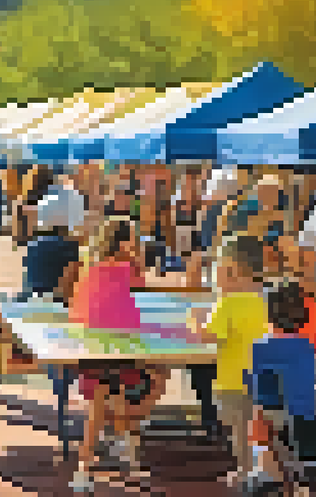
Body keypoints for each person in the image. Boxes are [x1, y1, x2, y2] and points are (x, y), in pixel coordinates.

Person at [65, 217, 170, 490]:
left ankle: (100, 464)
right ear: (123, 243)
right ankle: (109, 461)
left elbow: (78, 308)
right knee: (121, 398)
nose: (137, 243)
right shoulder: (129, 268)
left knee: (106, 403)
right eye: (133, 239)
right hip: (119, 347)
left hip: (93, 346)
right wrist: (137, 260)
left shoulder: (90, 267)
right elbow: (141, 292)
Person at [188, 236, 269, 489]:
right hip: (264, 379)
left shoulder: (227, 304)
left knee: (238, 430)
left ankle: (243, 471)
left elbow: (207, 336)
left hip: (233, 380)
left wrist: (195, 320)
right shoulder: (266, 299)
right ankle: (261, 470)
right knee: (260, 429)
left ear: (232, 271)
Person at [249, 281, 316, 490]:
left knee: (263, 420)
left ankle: (274, 475)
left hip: (281, 421)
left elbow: (260, 396)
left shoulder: (260, 347)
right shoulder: (308, 346)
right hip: (308, 423)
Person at [21, 174, 85, 301]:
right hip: (57, 304)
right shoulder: (69, 246)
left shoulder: (34, 244)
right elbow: (69, 285)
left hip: (36, 301)